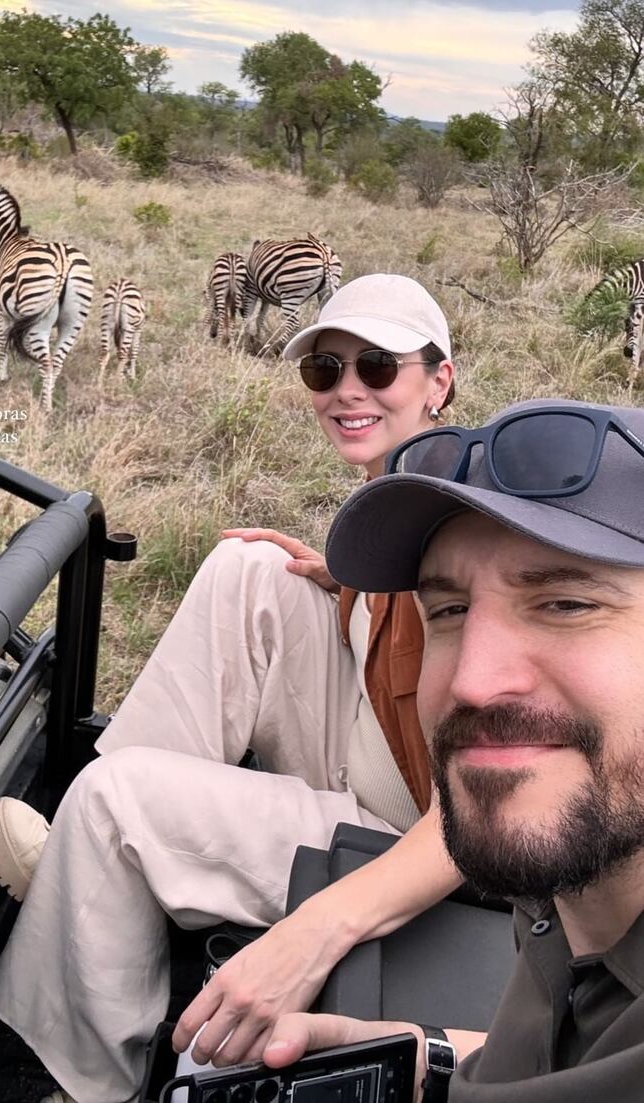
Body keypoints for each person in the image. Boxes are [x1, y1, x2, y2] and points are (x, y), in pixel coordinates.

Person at [0, 274, 467, 1103]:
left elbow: (485, 808)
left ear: (439, 380)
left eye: (379, 367)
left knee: (112, 799)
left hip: (414, 838)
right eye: (326, 369)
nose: (348, 388)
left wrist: (328, 923)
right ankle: (105, 864)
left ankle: (96, 1077)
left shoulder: (469, 529)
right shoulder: (406, 488)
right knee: (251, 566)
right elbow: (398, 632)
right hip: (377, 751)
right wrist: (339, 576)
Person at [258, 398, 644, 1102]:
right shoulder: (561, 889)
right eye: (449, 610)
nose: (471, 681)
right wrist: (421, 1054)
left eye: (565, 603)